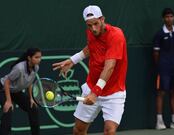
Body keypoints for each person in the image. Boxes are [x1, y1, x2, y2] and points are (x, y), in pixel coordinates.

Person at [52, 5, 127, 135]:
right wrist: (72, 60)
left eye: (96, 24)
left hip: (113, 92)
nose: (93, 28)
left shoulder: (116, 35)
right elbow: (90, 48)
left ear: (102, 19)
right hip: (91, 86)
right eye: (89, 25)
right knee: (78, 130)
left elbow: (109, 67)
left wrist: (96, 92)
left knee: (110, 131)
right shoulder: (91, 32)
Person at [0, 48, 41, 135]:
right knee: (8, 110)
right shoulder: (19, 68)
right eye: (36, 57)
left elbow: (29, 83)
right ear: (29, 58)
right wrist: (8, 101)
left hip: (15, 91)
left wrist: (31, 98)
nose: (39, 59)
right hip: (3, 89)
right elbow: (7, 82)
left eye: (40, 57)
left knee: (33, 108)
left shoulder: (36, 68)